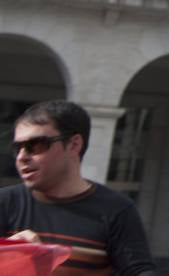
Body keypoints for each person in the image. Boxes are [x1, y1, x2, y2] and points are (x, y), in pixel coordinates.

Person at [1, 100, 155, 275]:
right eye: (17, 148)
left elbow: (139, 271)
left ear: (74, 144)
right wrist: (6, 252)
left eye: (35, 145)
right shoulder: (5, 202)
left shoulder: (117, 210)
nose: (22, 156)